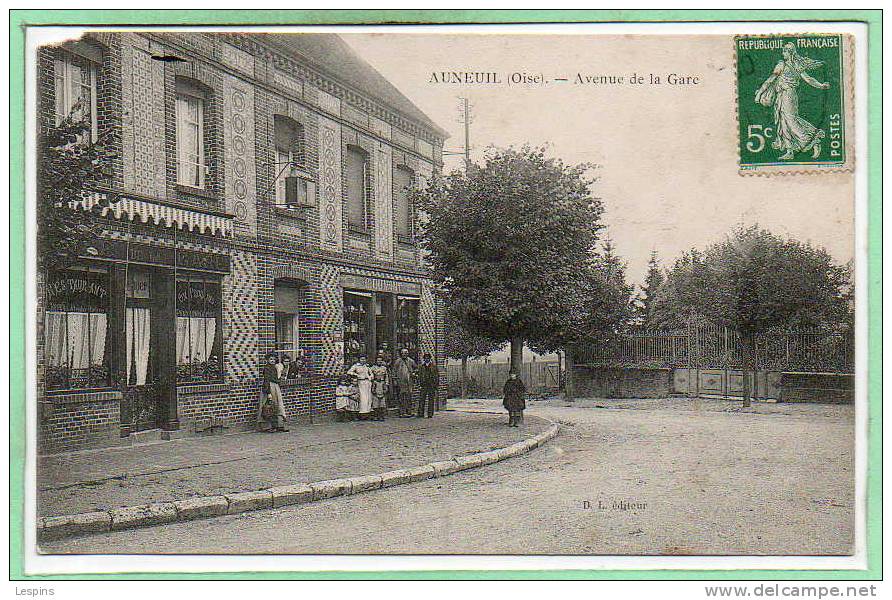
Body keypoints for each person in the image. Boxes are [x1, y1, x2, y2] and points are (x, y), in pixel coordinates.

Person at [754, 42, 830, 160]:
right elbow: (771, 80)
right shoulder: (787, 65)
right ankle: (789, 151)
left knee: (791, 121)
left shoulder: (789, 65)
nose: (782, 53)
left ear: (790, 52)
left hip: (788, 95)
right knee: (783, 121)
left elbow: (808, 79)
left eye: (784, 51)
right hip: (781, 95)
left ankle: (813, 142)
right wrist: (821, 85)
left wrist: (821, 85)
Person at [258, 352, 288, 433]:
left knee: (278, 406)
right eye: (271, 359)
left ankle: (279, 424)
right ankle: (268, 426)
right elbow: (267, 380)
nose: (272, 361)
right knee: (268, 406)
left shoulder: (274, 367)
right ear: (267, 360)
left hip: (275, 387)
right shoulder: (267, 368)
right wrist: (268, 393)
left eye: (274, 359)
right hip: (269, 387)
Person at [391, 348, 417, 418]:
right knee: (401, 397)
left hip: (409, 382)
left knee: (409, 397)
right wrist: (395, 380)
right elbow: (394, 371)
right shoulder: (398, 361)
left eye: (406, 353)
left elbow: (416, 369)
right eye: (403, 353)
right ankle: (402, 412)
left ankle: (409, 411)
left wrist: (414, 374)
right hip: (401, 382)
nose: (404, 354)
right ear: (401, 354)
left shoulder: (411, 361)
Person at [346, 355, 373, 420]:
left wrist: (370, 377)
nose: (363, 360)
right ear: (359, 360)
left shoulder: (367, 366)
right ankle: (361, 413)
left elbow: (371, 373)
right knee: (362, 398)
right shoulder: (356, 366)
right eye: (361, 359)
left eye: (364, 359)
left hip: (367, 383)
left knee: (368, 398)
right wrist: (357, 375)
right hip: (361, 383)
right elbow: (349, 372)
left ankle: (367, 413)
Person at [416, 352, 439, 418]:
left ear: (430, 359)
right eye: (425, 358)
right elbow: (420, 376)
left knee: (431, 400)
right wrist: (419, 384)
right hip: (423, 385)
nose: (426, 359)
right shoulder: (421, 367)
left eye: (428, 358)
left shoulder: (434, 367)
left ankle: (430, 414)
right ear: (424, 359)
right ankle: (421, 413)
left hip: (431, 385)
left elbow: (437, 376)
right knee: (422, 399)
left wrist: (436, 385)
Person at [370, 355, 390, 422]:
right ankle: (376, 415)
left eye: (380, 360)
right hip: (375, 384)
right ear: (376, 361)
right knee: (375, 401)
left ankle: (381, 415)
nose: (379, 362)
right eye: (378, 360)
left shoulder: (384, 368)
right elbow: (370, 376)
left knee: (382, 401)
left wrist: (386, 384)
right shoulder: (372, 368)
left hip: (382, 384)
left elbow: (386, 377)